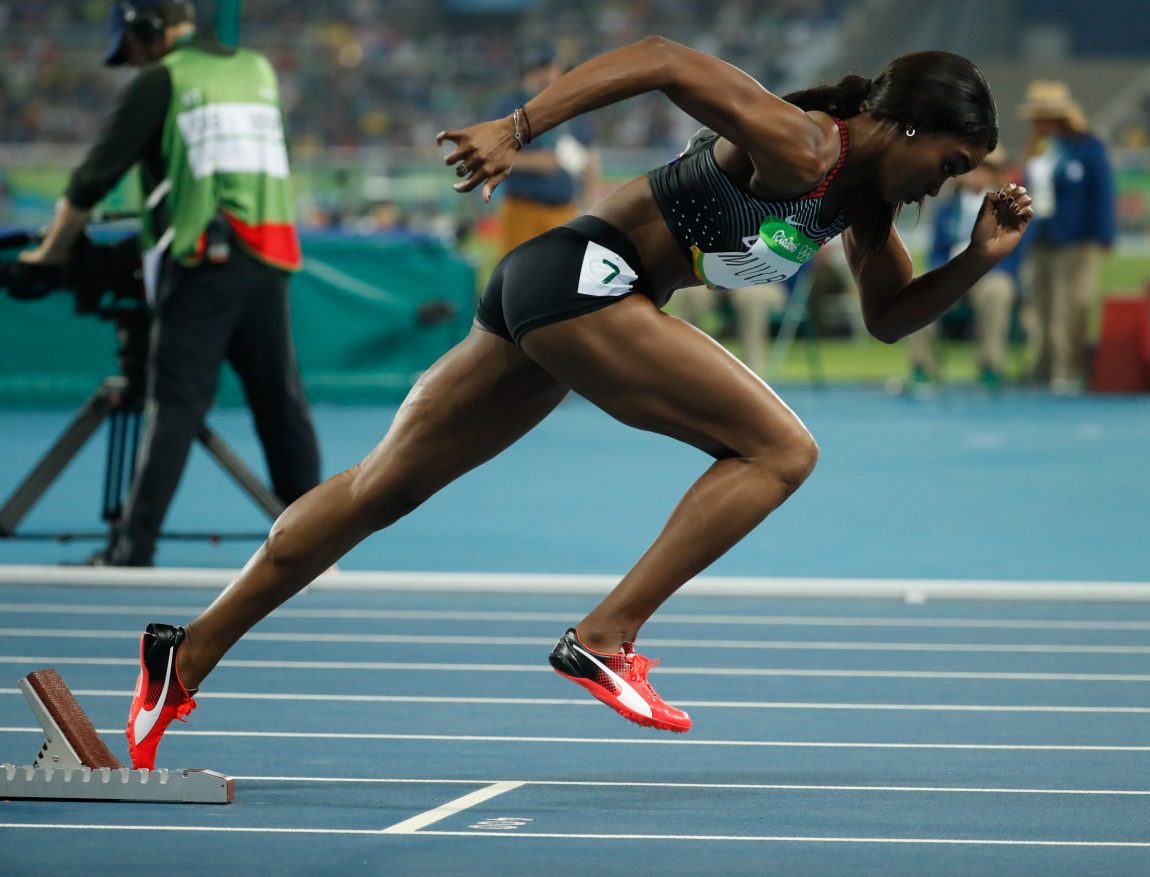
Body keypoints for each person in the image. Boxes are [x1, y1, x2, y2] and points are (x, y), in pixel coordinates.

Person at [123, 37, 1032, 770]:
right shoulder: (802, 143)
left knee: (379, 490)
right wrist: (519, 126)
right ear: (905, 125)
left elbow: (888, 319)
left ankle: (186, 652)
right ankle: (606, 634)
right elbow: (667, 59)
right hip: (590, 285)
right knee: (781, 451)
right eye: (949, 163)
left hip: (553, 289)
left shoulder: (861, 204)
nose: (943, 186)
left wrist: (981, 258)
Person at [19, 1, 321, 566]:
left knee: (174, 403)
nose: (130, 65)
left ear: (145, 29)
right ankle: (318, 546)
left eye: (129, 50)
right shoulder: (256, 67)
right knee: (280, 403)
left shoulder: (164, 80)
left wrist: (48, 254)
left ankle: (131, 548)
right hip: (270, 253)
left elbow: (91, 180)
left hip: (205, 257)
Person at [1017, 80, 1116, 395]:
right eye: (1038, 117)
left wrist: (1103, 236)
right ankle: (1041, 367)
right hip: (1040, 238)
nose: (1042, 122)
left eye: (1047, 116)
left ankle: (1067, 370)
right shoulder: (1038, 149)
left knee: (1070, 306)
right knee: (1041, 306)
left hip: (1077, 240)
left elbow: (1103, 193)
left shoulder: (1088, 146)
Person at [901, 146, 1020, 393]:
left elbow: (1013, 253)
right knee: (920, 288)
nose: (978, 176)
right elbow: (936, 251)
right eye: (974, 169)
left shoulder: (1008, 209)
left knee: (998, 291)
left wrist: (987, 265)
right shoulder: (947, 208)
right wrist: (940, 272)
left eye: (986, 170)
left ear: (996, 174)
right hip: (952, 271)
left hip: (989, 274)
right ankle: (922, 366)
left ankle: (990, 366)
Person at [492, 45, 600, 253]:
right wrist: (532, 162)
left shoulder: (575, 105)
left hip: (563, 209)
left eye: (553, 69)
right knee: (518, 273)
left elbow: (590, 155)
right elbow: (491, 155)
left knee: (561, 272)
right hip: (521, 207)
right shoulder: (509, 106)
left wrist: (589, 201)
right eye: (542, 70)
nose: (548, 76)